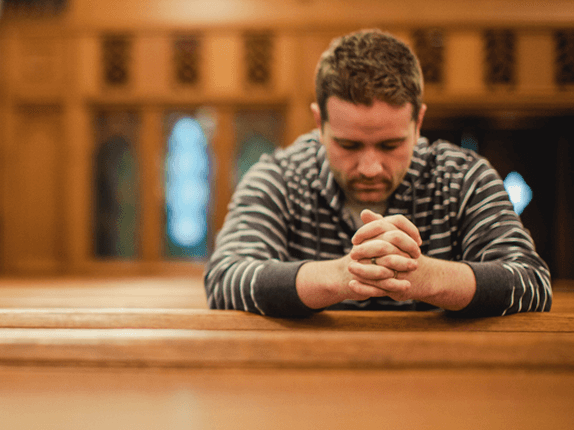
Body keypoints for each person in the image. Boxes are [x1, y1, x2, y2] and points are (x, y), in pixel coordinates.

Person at [205, 29, 552, 317]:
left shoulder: (464, 179)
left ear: (417, 123)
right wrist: (341, 276)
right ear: (319, 123)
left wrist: (426, 278)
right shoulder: (279, 177)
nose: (370, 168)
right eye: (349, 145)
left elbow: (532, 282)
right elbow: (224, 280)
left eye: (389, 145)